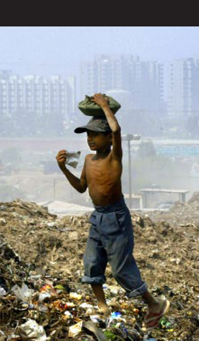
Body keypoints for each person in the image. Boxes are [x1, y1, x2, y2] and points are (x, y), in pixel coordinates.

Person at [56, 93, 169, 328]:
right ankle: (103, 307)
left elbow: (117, 131)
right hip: (98, 216)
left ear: (108, 138)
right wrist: (63, 168)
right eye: (88, 135)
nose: (90, 139)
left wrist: (105, 106)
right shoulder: (87, 160)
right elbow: (80, 187)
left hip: (116, 217)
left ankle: (153, 304)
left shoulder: (114, 157)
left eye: (95, 134)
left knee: (120, 268)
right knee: (92, 262)